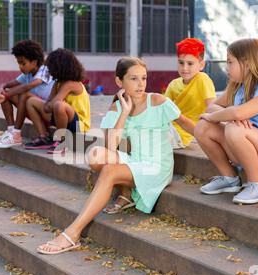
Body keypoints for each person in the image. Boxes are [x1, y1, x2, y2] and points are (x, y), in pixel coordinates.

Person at [36, 57, 195, 254]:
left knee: (110, 171)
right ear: (120, 82)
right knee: (95, 155)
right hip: (136, 160)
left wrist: (215, 143)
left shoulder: (158, 101)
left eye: (143, 78)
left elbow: (187, 123)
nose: (140, 84)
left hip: (156, 166)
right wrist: (124, 113)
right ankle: (126, 195)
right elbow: (111, 148)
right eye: (133, 79)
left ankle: (72, 233)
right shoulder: (117, 108)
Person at [194, 38, 258, 204]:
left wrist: (230, 117)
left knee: (234, 128)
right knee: (203, 127)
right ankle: (229, 178)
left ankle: (257, 185)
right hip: (248, 143)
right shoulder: (237, 86)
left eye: (230, 62)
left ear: (247, 64)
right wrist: (231, 116)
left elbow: (238, 112)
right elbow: (211, 107)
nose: (227, 67)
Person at [24, 48, 90, 154]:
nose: (49, 72)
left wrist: (51, 104)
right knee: (31, 101)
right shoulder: (57, 83)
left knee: (59, 105)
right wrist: (51, 104)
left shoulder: (71, 84)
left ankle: (62, 142)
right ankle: (44, 137)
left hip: (78, 124)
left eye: (51, 68)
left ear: (59, 68)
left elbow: (53, 103)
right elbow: (47, 106)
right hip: (61, 117)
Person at [0, 40, 55, 149]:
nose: (20, 67)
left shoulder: (45, 70)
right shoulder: (28, 74)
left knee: (23, 94)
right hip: (38, 112)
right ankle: (11, 132)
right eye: (18, 63)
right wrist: (1, 89)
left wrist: (6, 95)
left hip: (51, 114)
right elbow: (8, 84)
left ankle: (16, 134)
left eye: (23, 63)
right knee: (7, 93)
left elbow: (28, 86)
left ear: (34, 62)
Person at [165, 38, 216, 148]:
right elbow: (163, 110)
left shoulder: (202, 79)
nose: (185, 68)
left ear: (201, 65)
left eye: (190, 63)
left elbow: (212, 106)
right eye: (181, 63)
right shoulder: (173, 84)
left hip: (182, 135)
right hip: (167, 127)